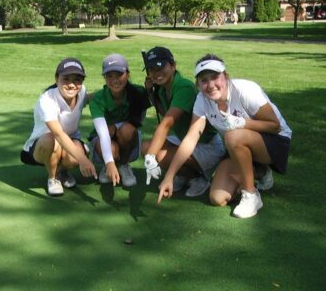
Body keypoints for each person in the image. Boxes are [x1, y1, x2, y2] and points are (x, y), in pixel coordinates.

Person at [158, 54, 292, 218]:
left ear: (226, 77)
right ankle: (259, 172)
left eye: (215, 77)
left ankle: (251, 194)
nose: (210, 85)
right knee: (217, 198)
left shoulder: (245, 89)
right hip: (239, 146)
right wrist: (169, 177)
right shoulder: (202, 100)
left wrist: (241, 123)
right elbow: (191, 138)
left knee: (232, 137)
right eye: (204, 80)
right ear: (198, 84)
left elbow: (275, 126)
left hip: (275, 142)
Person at [142, 47, 225, 197]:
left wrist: (150, 158)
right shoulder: (161, 89)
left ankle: (197, 179)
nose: (156, 72)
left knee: (157, 155)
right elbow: (164, 111)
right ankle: (184, 174)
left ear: (173, 66)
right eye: (152, 69)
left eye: (161, 66)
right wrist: (150, 92)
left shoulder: (184, 87)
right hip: (184, 139)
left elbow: (166, 123)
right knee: (147, 147)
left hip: (207, 145)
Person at [20, 57, 97, 196]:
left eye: (77, 79)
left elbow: (87, 99)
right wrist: (83, 160)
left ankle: (62, 172)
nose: (72, 85)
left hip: (69, 140)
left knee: (74, 156)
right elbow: (58, 134)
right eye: (66, 79)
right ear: (57, 79)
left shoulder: (81, 91)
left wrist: (110, 90)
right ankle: (53, 178)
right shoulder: (47, 99)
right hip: (41, 146)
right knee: (52, 140)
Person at [89, 54, 150, 187]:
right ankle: (109, 164)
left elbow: (150, 108)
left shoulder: (138, 92)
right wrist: (109, 162)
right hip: (104, 138)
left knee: (127, 129)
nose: (114, 80)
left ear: (127, 74)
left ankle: (123, 164)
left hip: (128, 139)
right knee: (110, 141)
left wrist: (150, 89)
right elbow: (103, 132)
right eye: (109, 75)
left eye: (119, 74)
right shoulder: (98, 98)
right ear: (104, 78)